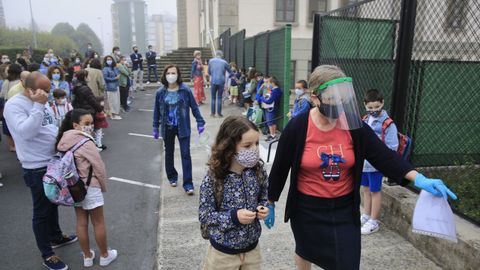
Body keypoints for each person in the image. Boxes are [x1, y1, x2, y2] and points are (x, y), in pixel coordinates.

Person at [265, 65, 457, 270]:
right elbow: (280, 167)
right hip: (307, 209)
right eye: (331, 98)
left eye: (342, 97)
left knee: (347, 261)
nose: (338, 103)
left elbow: (383, 156)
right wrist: (270, 201)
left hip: (343, 209)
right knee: (305, 250)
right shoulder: (298, 127)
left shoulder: (353, 125)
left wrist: (418, 178)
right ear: (315, 98)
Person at [4, 72, 77, 270]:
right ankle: (47, 253)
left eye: (49, 89)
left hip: (53, 161)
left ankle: (56, 236)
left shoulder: (42, 101)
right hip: (36, 167)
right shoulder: (14, 106)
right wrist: (37, 105)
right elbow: (26, 132)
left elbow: (49, 125)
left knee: (53, 202)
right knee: (41, 211)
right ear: (29, 89)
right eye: (44, 90)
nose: (48, 93)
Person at [199, 116, 269, 270]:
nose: (255, 149)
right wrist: (233, 217)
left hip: (252, 250)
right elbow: (205, 216)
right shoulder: (214, 177)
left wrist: (263, 207)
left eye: (257, 143)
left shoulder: (258, 171)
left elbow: (264, 195)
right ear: (229, 147)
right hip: (223, 254)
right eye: (247, 145)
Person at [56, 109, 117, 267]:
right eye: (87, 124)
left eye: (92, 123)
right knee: (98, 222)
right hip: (90, 186)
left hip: (74, 188)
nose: (90, 127)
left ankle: (87, 256)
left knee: (81, 222)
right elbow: (99, 167)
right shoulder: (85, 142)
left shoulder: (64, 140)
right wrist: (102, 185)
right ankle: (104, 255)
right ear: (76, 125)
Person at [153, 64, 205, 194]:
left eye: (173, 73)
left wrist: (200, 122)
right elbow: (156, 111)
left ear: (178, 75)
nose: (171, 75)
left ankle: (188, 184)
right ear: (165, 75)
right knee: (169, 153)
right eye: (168, 73)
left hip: (183, 127)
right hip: (167, 128)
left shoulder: (185, 90)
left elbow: (194, 107)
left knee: (186, 154)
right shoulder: (160, 92)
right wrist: (155, 126)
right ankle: (172, 177)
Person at [360, 89, 399, 235]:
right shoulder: (364, 119)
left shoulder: (388, 124)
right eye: (370, 108)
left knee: (375, 191)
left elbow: (392, 147)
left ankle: (374, 220)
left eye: (377, 107)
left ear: (382, 103)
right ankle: (366, 214)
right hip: (364, 163)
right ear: (365, 105)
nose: (374, 110)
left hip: (376, 165)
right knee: (365, 189)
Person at [72, 70, 105, 150]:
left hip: (81, 109)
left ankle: (92, 145)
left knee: (84, 129)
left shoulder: (77, 86)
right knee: (91, 129)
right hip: (88, 110)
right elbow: (92, 100)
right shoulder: (84, 88)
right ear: (85, 77)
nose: (89, 77)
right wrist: (100, 109)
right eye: (88, 76)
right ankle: (94, 146)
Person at [0, 63, 22, 152]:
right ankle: (14, 146)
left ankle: (12, 146)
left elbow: (3, 95)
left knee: (8, 127)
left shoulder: (7, 81)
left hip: (8, 105)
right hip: (18, 106)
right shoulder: (20, 81)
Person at [208, 50, 231, 117]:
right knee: (219, 97)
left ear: (216, 54)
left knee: (213, 98)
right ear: (221, 55)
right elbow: (230, 71)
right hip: (221, 81)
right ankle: (219, 113)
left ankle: (212, 113)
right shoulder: (224, 62)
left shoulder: (211, 61)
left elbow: (209, 72)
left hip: (213, 81)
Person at [260, 76, 282, 141]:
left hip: (271, 108)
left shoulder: (276, 91)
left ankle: (273, 135)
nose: (267, 84)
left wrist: (262, 98)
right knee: (271, 122)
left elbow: (269, 101)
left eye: (268, 82)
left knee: (270, 122)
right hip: (270, 108)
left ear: (272, 83)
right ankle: (272, 134)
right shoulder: (273, 90)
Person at [102, 56, 121, 120]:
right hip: (110, 87)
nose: (109, 60)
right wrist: (114, 78)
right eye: (108, 59)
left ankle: (116, 113)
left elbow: (118, 74)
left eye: (110, 59)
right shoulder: (105, 69)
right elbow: (106, 78)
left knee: (117, 101)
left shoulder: (114, 68)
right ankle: (112, 114)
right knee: (112, 101)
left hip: (116, 86)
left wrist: (118, 75)